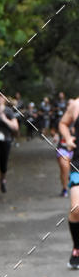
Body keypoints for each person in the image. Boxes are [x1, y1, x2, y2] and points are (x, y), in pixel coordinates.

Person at [58, 97, 79, 268]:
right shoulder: (76, 105)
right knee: (76, 208)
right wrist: (68, 138)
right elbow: (63, 123)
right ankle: (77, 248)